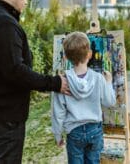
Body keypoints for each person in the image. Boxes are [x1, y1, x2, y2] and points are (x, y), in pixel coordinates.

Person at [0, 0, 70, 164]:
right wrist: (55, 83)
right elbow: (15, 71)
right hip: (4, 116)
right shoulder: (3, 23)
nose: (26, 1)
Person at [51, 31, 116, 164]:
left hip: (74, 133)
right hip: (95, 130)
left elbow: (58, 113)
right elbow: (110, 102)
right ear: (90, 54)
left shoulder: (62, 82)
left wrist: (58, 135)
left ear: (66, 58)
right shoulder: (98, 78)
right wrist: (108, 82)